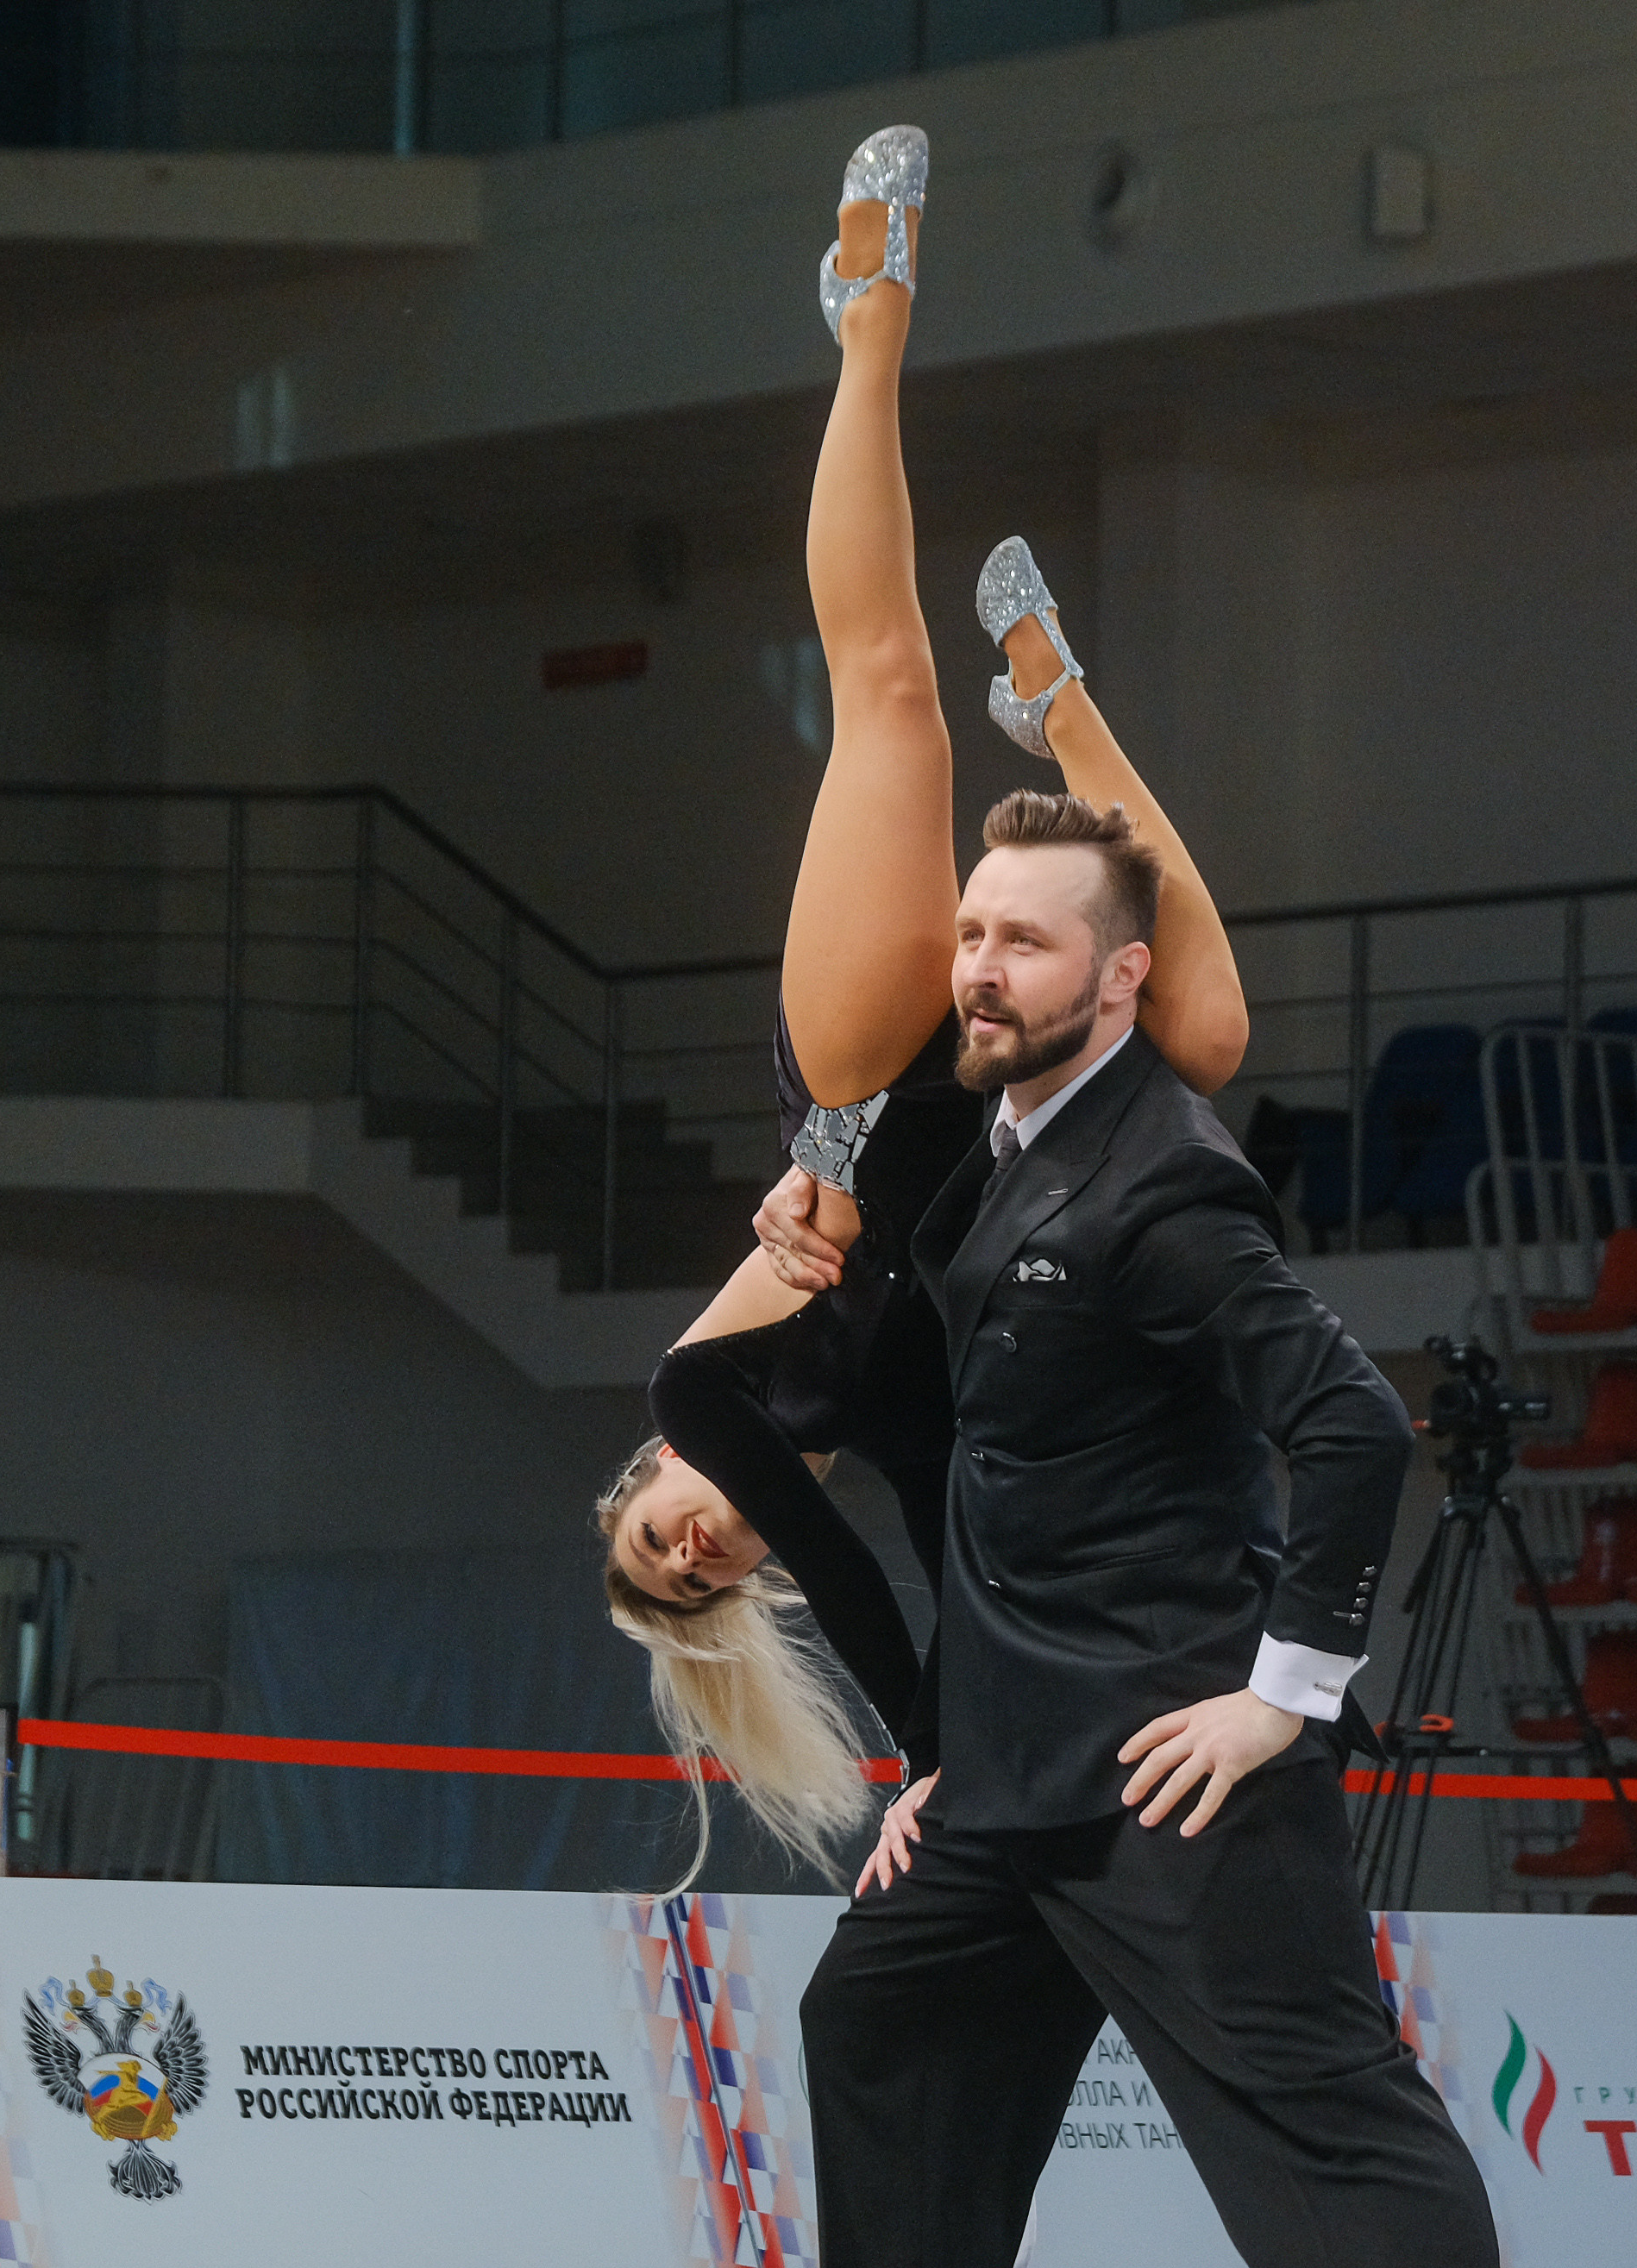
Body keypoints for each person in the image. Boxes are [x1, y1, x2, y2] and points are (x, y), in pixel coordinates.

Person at [741, 774, 1548, 2268]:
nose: (978, 966)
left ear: (1120, 980)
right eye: (971, 932)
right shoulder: (995, 1144)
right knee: (879, 2025)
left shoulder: (1163, 1179)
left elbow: (1353, 1427)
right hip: (1005, 1769)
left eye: (1025, 941)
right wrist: (944, 1752)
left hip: (1171, 1757)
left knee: (1315, 2111)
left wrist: (1283, 1695)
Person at [593, 122, 1248, 1889]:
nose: (700, 1553)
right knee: (1208, 1041)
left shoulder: (704, 1389)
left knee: (889, 697)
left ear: (648, 1480)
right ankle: (1073, 718)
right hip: (1006, 1103)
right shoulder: (890, 1444)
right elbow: (936, 1591)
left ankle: (866, 314)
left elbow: (812, 1213)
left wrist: (820, 1159)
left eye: (659, 1542)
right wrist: (944, 1768)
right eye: (703, 1584)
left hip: (868, 1068)